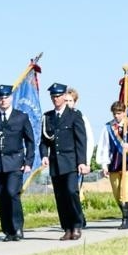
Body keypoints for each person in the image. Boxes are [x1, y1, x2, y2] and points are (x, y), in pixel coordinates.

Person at [0, 83, 35, 241]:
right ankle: (8, 230)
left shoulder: (21, 117)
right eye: (0, 97)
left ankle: (17, 228)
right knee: (2, 197)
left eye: (6, 97)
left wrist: (28, 162)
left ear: (11, 98)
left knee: (12, 193)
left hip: (15, 163)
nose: (3, 100)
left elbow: (30, 141)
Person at [41, 82, 89, 240]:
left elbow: (81, 140)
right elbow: (44, 140)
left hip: (70, 161)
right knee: (60, 196)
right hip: (55, 163)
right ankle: (67, 228)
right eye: (53, 96)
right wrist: (44, 155)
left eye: (58, 96)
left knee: (71, 192)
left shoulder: (74, 115)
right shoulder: (47, 117)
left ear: (64, 96)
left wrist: (82, 161)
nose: (55, 99)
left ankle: (77, 225)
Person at [95, 100, 128, 229]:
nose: (117, 116)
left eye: (119, 113)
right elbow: (104, 147)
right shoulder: (108, 127)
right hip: (114, 164)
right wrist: (104, 165)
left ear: (124, 113)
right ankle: (127, 213)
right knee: (117, 194)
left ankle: (126, 220)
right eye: (114, 113)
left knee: (126, 191)